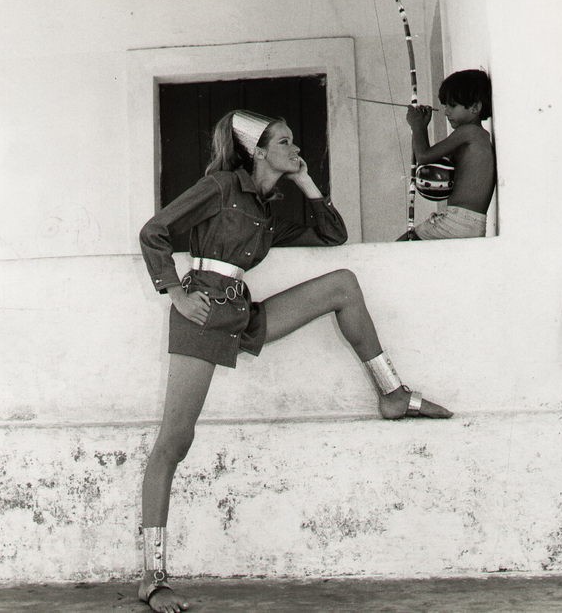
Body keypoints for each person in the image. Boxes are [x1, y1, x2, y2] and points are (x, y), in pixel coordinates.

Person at [137, 109, 452, 611]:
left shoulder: (265, 209)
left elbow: (332, 236)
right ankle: (153, 579)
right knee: (174, 443)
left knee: (343, 284)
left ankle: (392, 393)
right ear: (258, 151)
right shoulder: (221, 185)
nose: (295, 147)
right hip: (202, 313)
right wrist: (175, 293)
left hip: (240, 312)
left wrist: (306, 183)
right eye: (284, 142)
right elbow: (154, 231)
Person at [397, 69, 495, 241]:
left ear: (475, 107)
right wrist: (421, 127)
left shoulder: (469, 132)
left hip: (457, 223)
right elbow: (430, 160)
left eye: (452, 106)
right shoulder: (476, 136)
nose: (446, 112)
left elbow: (423, 157)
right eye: (445, 106)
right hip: (468, 224)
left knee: (400, 246)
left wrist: (417, 126)